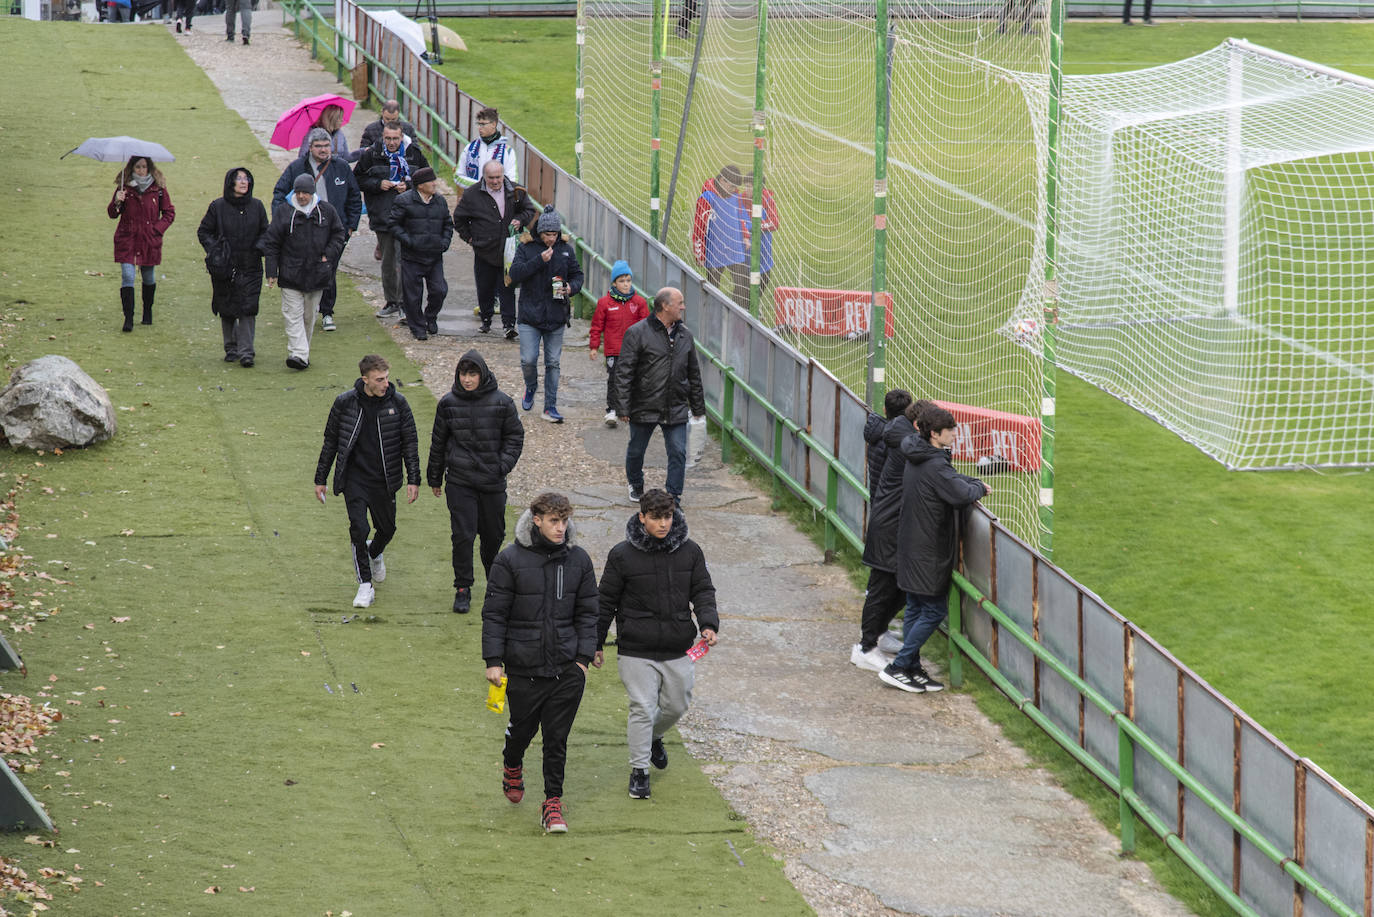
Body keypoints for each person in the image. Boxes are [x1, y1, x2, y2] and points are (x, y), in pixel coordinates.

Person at [481, 492, 599, 834]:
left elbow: (588, 612)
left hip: (567, 670)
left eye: (564, 521)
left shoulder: (579, 561)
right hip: (524, 668)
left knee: (556, 738)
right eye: (553, 521)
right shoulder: (509, 560)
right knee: (522, 730)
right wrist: (494, 661)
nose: (561, 528)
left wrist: (582, 660)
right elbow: (495, 614)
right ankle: (512, 762)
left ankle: (552, 804)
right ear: (536, 520)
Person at [595, 489, 718, 800]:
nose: (663, 524)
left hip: (678, 646)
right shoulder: (621, 555)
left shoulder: (691, 552)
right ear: (642, 518)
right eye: (656, 518)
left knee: (677, 705)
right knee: (642, 707)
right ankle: (639, 772)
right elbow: (604, 602)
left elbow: (703, 590)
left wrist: (708, 624)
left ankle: (653, 738)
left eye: (668, 517)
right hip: (635, 648)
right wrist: (593, 644)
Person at [880, 403, 990, 693]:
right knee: (933, 609)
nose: (954, 434)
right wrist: (979, 487)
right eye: (949, 430)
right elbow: (960, 492)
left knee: (916, 606)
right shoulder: (934, 463)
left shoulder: (921, 454)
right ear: (935, 434)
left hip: (911, 543)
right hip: (927, 548)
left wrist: (970, 482)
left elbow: (950, 479)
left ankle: (912, 666)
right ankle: (899, 666)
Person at [314, 354, 421, 609]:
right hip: (355, 480)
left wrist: (414, 479)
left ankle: (375, 552)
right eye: (379, 379)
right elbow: (331, 441)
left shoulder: (399, 403)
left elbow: (410, 443)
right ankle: (365, 584)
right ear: (365, 379)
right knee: (359, 529)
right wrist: (321, 478)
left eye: (386, 378)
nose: (386, 384)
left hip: (384, 481)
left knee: (388, 529)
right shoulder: (344, 403)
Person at [427, 350, 524, 614]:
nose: (467, 379)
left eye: (472, 374)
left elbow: (515, 437)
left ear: (482, 375)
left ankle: (495, 583)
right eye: (463, 374)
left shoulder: (503, 403)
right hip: (460, 481)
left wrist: (501, 466)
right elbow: (438, 442)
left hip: (492, 482)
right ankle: (463, 588)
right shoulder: (447, 404)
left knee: (493, 536)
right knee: (463, 536)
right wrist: (434, 477)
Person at [852, 392, 927, 672]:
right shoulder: (900, 446)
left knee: (895, 586)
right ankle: (866, 646)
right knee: (882, 588)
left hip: (890, 518)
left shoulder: (890, 437)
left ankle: (877, 635)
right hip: (888, 522)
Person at [612, 287, 706, 505]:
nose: (683, 307)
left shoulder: (685, 336)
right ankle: (635, 484)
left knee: (678, 453)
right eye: (679, 303)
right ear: (665, 306)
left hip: (676, 407)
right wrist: (623, 407)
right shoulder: (637, 333)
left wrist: (698, 409)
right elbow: (624, 372)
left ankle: (673, 497)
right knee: (636, 450)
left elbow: (694, 374)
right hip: (644, 405)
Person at [273, 128, 362, 333]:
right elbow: (279, 192)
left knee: (328, 269)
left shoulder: (341, 167)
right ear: (310, 147)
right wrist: (282, 220)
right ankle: (306, 307)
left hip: (333, 230)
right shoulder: (297, 167)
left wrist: (350, 226)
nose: (323, 150)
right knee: (306, 267)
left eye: (326, 145)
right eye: (319, 146)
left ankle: (327, 312)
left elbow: (354, 197)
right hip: (303, 229)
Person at [260, 173, 346, 370]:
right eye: (298, 192)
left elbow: (338, 233)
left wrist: (328, 255)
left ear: (312, 193)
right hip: (291, 274)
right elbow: (272, 242)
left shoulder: (327, 211)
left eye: (305, 193)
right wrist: (271, 271)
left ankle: (302, 354)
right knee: (292, 315)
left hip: (317, 274)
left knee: (309, 317)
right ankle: (298, 353)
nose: (301, 196)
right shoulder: (284, 212)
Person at [507, 205, 583, 424]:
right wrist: (540, 260)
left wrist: (571, 288)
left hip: (556, 315)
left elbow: (578, 275)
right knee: (528, 359)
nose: (551, 238)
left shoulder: (566, 249)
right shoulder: (527, 247)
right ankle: (531, 386)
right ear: (539, 232)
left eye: (555, 234)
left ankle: (550, 406)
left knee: (553, 363)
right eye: (547, 234)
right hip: (530, 315)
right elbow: (514, 274)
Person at [354, 123, 430, 320]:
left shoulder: (413, 153)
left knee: (406, 260)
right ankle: (392, 301)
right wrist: (378, 184)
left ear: (401, 137)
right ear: (383, 137)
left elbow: (427, 178)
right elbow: (358, 179)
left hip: (409, 216)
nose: (392, 142)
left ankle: (408, 303)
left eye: (395, 139)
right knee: (389, 261)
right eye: (388, 139)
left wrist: (411, 185)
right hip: (384, 214)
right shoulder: (371, 155)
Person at [453, 159, 536, 338]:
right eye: (491, 178)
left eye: (498, 177)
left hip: (509, 250)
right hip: (484, 249)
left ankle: (509, 325)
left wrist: (520, 220)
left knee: (507, 286)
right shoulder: (472, 194)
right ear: (484, 176)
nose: (495, 181)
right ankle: (486, 320)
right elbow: (459, 219)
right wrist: (469, 238)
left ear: (503, 175)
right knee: (485, 286)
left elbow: (529, 210)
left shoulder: (517, 191)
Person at [196, 166, 267, 367]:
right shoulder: (217, 207)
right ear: (231, 182)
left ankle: (246, 351)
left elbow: (265, 232)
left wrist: (258, 249)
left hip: (250, 264)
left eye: (246, 178)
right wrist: (216, 250)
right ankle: (231, 347)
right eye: (239, 179)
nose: (244, 182)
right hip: (224, 266)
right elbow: (204, 232)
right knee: (226, 306)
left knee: (248, 308)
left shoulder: (257, 206)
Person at [382, 166, 452, 340]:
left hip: (434, 255)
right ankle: (417, 327)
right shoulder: (403, 201)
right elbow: (393, 225)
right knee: (412, 296)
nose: (435, 184)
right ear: (420, 185)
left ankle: (430, 317)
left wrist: (444, 243)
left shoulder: (440, 201)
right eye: (431, 181)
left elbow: (448, 224)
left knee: (439, 290)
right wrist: (409, 241)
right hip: (412, 257)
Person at [107, 155, 175, 333]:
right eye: (138, 167)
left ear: (149, 168)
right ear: (132, 168)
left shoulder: (158, 189)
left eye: (144, 166)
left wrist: (156, 230)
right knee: (128, 276)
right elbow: (112, 214)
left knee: (148, 277)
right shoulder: (123, 188)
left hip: (148, 240)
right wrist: (117, 201)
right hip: (127, 238)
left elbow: (169, 213)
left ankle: (147, 312)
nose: (141, 170)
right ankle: (128, 318)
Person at [588, 260, 649, 428]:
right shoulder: (604, 303)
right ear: (614, 282)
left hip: (634, 350)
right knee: (614, 379)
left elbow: (647, 327)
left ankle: (632, 409)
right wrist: (594, 347)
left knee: (634, 378)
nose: (626, 284)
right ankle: (612, 409)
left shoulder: (639, 302)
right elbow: (597, 326)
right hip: (613, 349)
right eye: (621, 281)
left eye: (628, 280)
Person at [689, 164, 749, 306]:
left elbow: (741, 217)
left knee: (743, 285)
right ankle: (711, 313)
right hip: (714, 253)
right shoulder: (707, 199)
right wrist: (700, 255)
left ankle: (736, 312)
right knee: (713, 289)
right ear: (722, 180)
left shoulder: (736, 197)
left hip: (735, 251)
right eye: (732, 186)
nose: (734, 189)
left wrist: (745, 236)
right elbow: (699, 229)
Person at [738, 172, 781, 305]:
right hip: (745, 257)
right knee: (742, 291)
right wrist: (747, 230)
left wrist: (756, 226)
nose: (747, 189)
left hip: (764, 256)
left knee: (762, 284)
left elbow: (774, 223)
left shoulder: (768, 200)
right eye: (746, 186)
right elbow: (739, 222)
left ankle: (754, 306)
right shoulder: (740, 201)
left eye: (751, 186)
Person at [455, 107, 519, 189]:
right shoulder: (469, 148)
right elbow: (458, 176)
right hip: (473, 198)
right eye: (478, 124)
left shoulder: (508, 151)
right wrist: (480, 186)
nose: (479, 127)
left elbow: (512, 181)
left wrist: (492, 187)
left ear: (494, 124)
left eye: (483, 124)